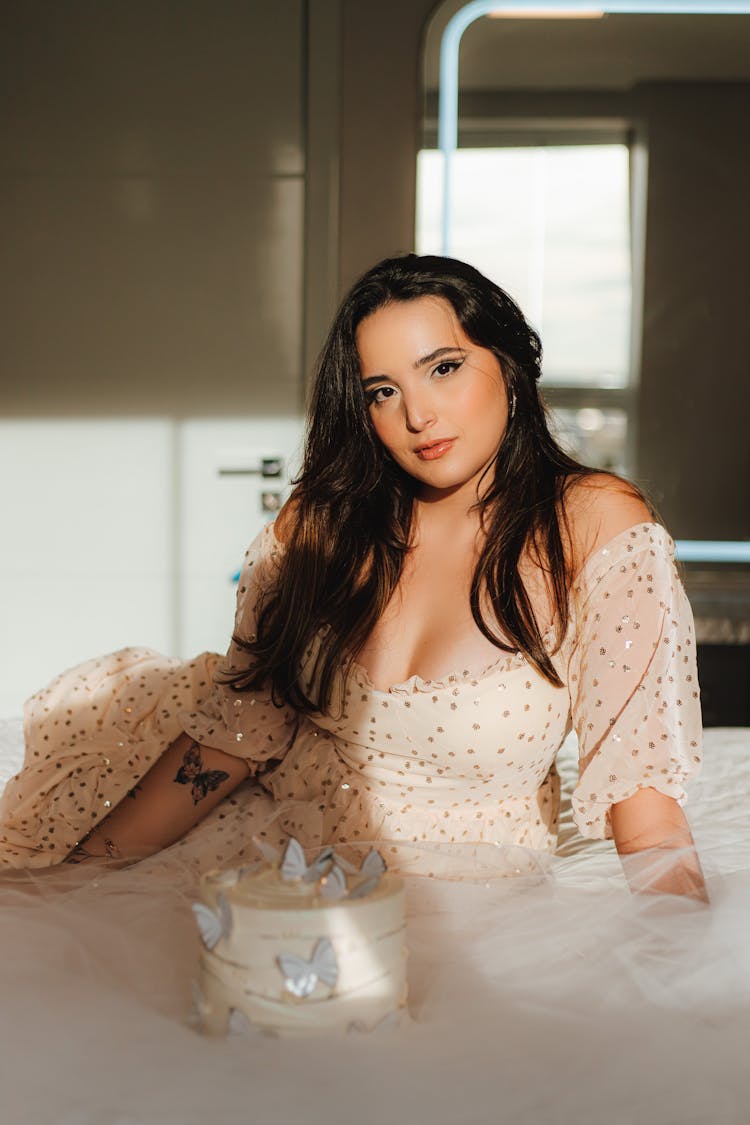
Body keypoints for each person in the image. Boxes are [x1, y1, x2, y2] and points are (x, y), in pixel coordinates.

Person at [0, 253, 707, 903]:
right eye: (381, 391)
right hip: (266, 860)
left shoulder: (593, 523)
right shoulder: (323, 523)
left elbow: (641, 799)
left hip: (468, 905)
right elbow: (235, 736)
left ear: (510, 362)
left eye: (444, 368)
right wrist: (77, 880)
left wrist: (679, 981)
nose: (418, 415)